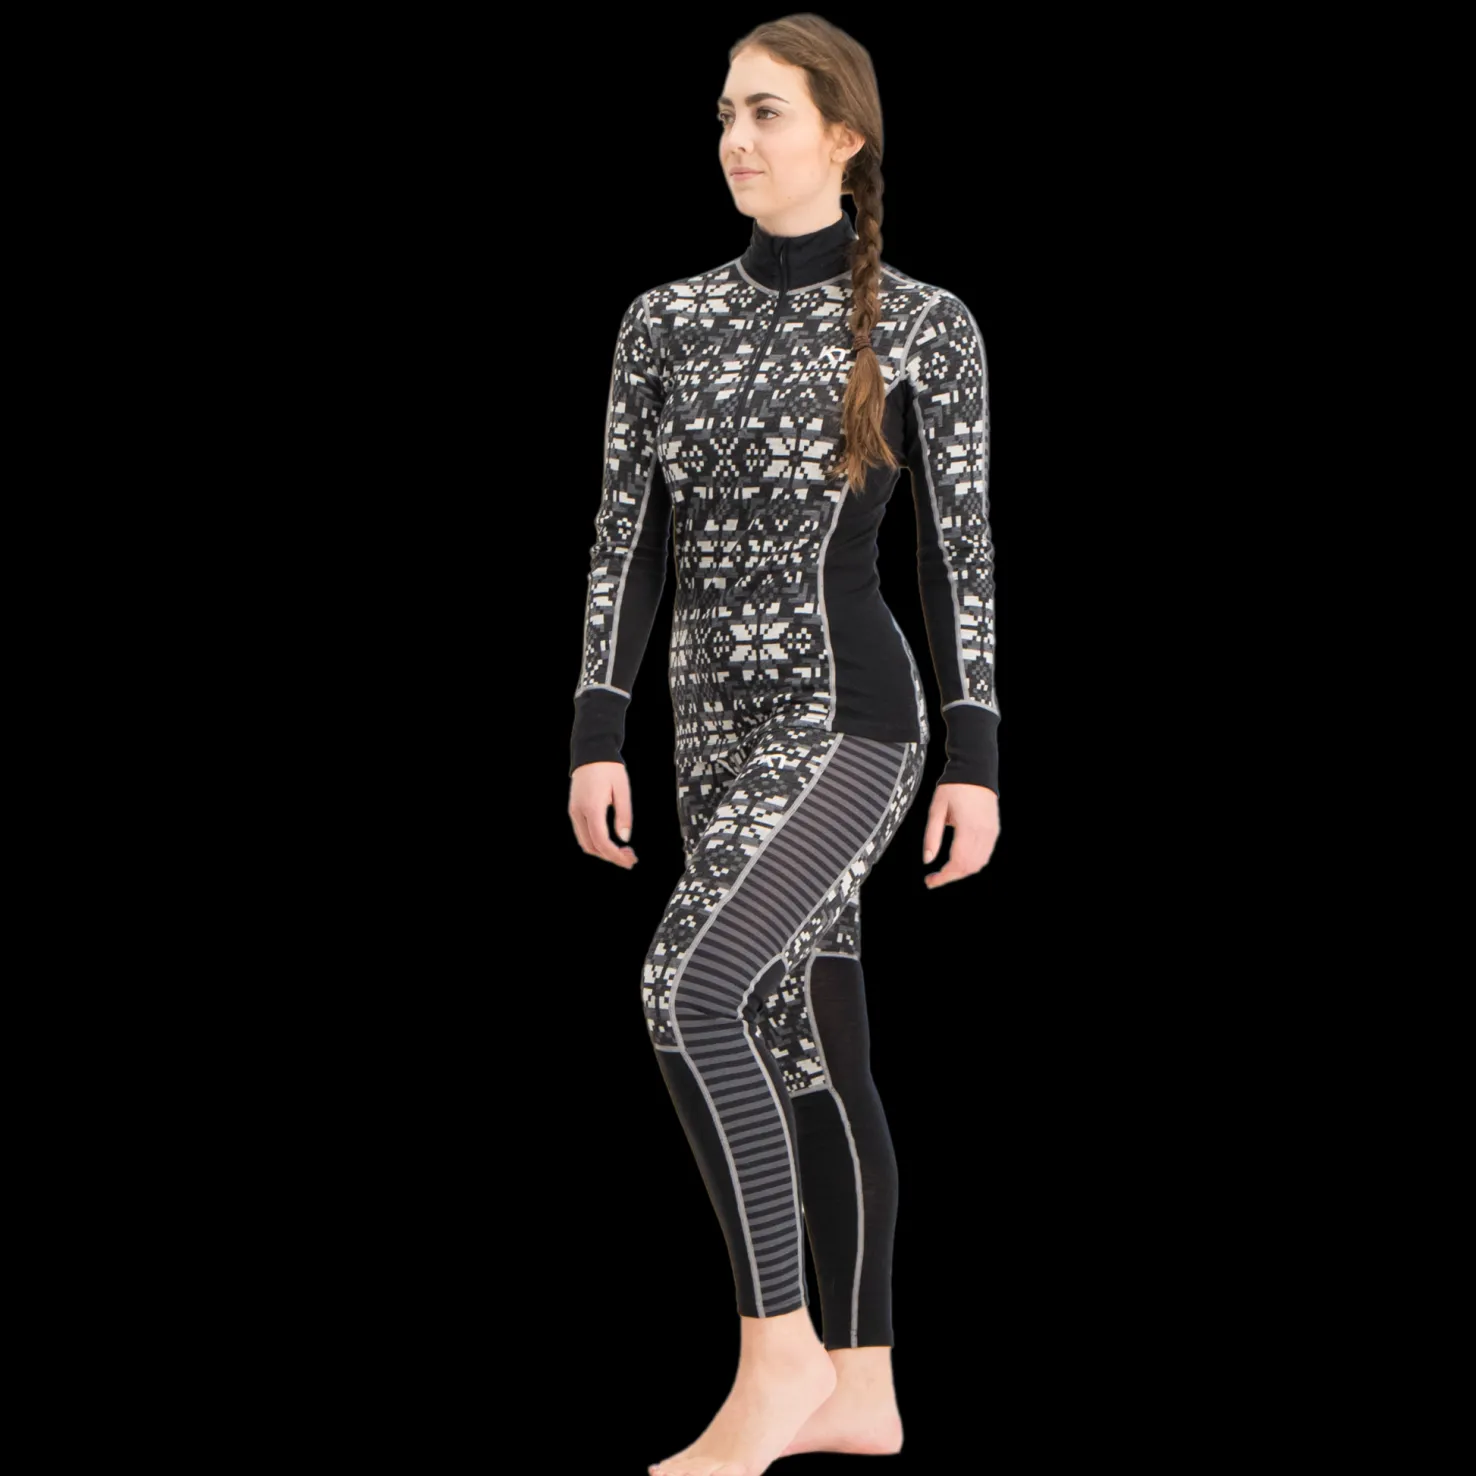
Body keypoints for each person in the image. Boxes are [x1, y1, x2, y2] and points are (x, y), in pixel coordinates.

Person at [567, 16, 1001, 1475]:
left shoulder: (925, 324)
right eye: (723, 116)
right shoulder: (663, 320)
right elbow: (626, 541)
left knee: (688, 990)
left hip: (849, 720)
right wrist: (599, 729)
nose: (735, 141)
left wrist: (976, 754)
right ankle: (865, 1388)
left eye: (765, 113)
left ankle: (777, 1354)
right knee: (806, 1037)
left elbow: (956, 556)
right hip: (706, 729)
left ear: (843, 135)